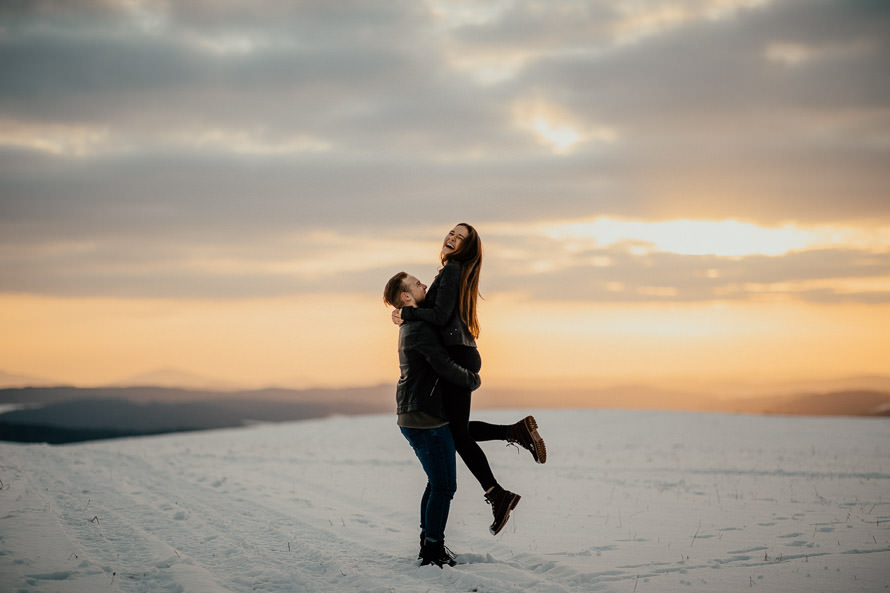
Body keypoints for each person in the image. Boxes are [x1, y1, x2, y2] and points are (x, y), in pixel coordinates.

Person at [393, 223, 546, 536]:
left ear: (467, 248)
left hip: (458, 356)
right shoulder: (455, 271)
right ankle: (501, 478)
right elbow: (440, 313)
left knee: (458, 435)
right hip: (461, 352)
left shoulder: (452, 270)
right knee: (456, 431)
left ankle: (499, 485)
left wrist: (406, 314)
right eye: (452, 232)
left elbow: (439, 316)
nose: (452, 238)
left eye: (460, 238)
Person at [384, 271, 482, 568]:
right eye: (416, 284)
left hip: (416, 414)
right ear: (405, 296)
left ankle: (429, 542)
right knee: (444, 486)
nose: (423, 284)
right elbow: (443, 365)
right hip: (425, 417)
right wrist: (472, 379)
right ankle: (432, 551)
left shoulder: (413, 323)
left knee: (436, 482)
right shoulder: (418, 330)